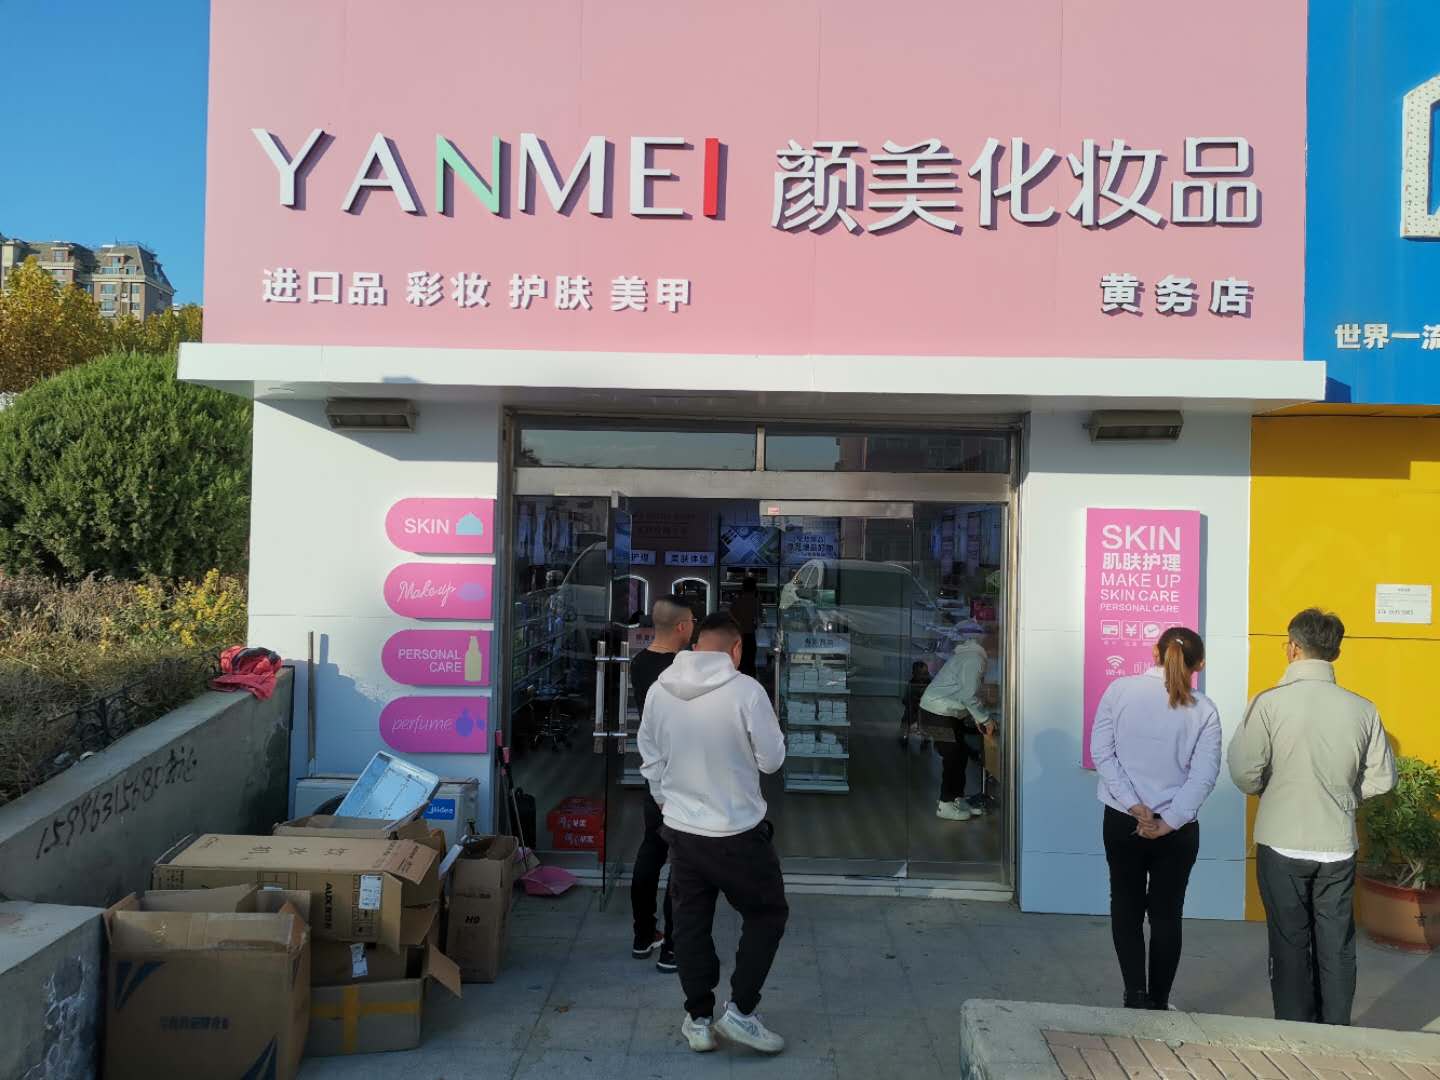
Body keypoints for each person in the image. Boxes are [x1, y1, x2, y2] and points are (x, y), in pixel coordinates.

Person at [1228, 608, 1396, 1026]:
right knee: (1337, 944)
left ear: (1292, 648)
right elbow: (1383, 779)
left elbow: (1244, 773)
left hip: (1281, 838)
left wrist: (1271, 789)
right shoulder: (1363, 709)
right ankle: (1335, 1031)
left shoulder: (1268, 703)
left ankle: (1294, 1031)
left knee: (1289, 942)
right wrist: (1344, 796)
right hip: (1337, 843)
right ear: (1335, 652)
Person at [637, 612, 788, 1055]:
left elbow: (649, 757)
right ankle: (741, 1011)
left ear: (696, 645)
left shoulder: (660, 689)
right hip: (738, 831)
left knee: (690, 924)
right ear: (736, 649)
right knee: (766, 913)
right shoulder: (747, 691)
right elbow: (772, 761)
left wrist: (666, 802)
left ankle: (699, 1019)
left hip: (682, 831)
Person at [1090, 627, 1221, 1012]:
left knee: (1125, 906)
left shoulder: (1119, 691)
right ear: (1200, 664)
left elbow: (1103, 754)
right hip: (1177, 831)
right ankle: (1159, 1003)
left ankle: (1134, 996)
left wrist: (1134, 805)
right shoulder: (1204, 709)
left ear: (1154, 652)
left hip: (1122, 820)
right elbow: (1204, 776)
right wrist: (1169, 821)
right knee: (1167, 914)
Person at [627, 595, 694, 972]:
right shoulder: (683, 667)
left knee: (651, 849)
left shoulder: (640, 663)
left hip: (653, 769)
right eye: (693, 621)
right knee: (681, 858)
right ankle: (672, 946)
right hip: (684, 773)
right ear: (682, 626)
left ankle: (642, 935)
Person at [919, 630, 996, 820]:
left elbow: (964, 691)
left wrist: (978, 717)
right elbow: (968, 695)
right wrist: (985, 719)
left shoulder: (970, 655)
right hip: (938, 713)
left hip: (939, 712)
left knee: (959, 755)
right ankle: (945, 804)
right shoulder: (974, 660)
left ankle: (956, 798)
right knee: (953, 757)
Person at [730, 575, 761, 677]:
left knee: (739, 663)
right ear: (754, 588)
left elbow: (731, 617)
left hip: (739, 636)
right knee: (750, 663)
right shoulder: (756, 602)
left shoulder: (736, 601)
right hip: (750, 636)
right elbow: (758, 618)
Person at [900, 659, 933, 745]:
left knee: (926, 722)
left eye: (925, 673)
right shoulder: (911, 684)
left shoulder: (929, 683)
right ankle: (904, 736)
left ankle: (926, 738)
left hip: (924, 708)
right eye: (920, 674)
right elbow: (907, 697)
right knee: (906, 720)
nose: (923, 676)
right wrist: (907, 701)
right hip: (913, 707)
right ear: (914, 674)